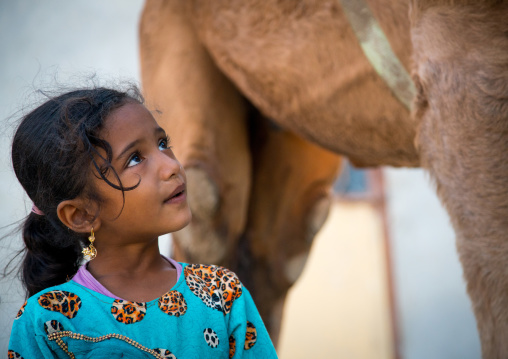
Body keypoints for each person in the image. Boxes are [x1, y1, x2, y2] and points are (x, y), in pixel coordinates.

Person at [7, 86, 278, 358]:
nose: (172, 166)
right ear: (82, 215)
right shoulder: (47, 322)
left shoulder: (222, 292)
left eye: (163, 143)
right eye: (135, 159)